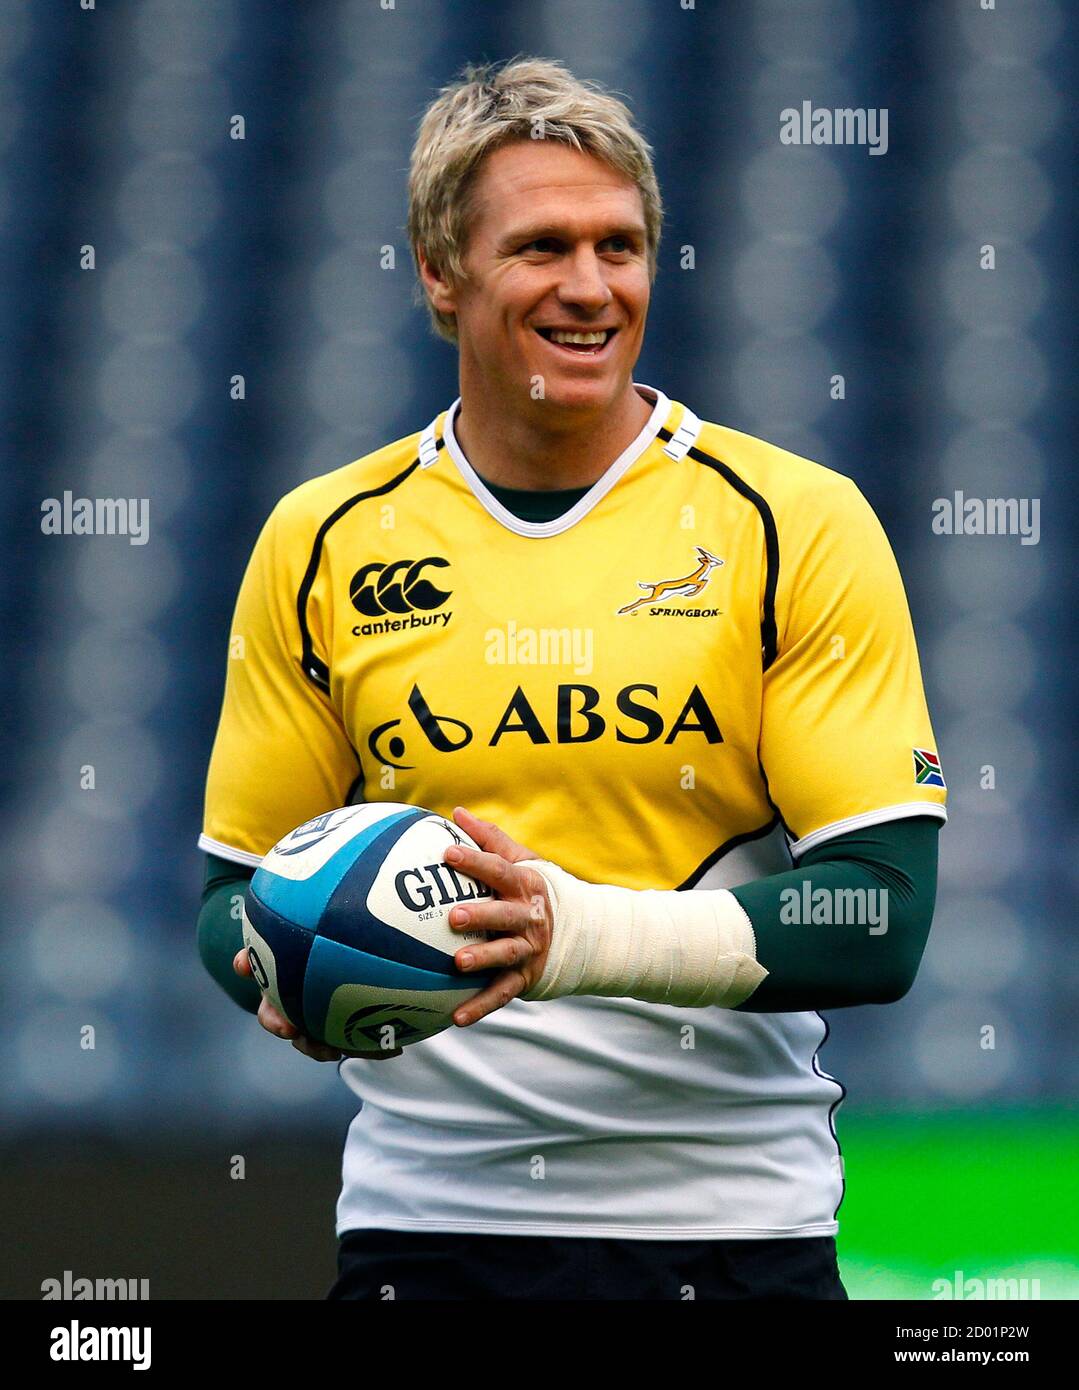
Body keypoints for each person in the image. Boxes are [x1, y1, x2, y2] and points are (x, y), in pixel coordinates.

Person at [198, 57, 947, 1301]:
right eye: (543, 246)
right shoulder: (322, 539)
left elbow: (877, 916)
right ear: (440, 272)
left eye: (622, 245)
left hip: (729, 1228)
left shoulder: (794, 522)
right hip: (421, 1226)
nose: (592, 288)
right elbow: (228, 889)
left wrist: (567, 934)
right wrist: (276, 957)